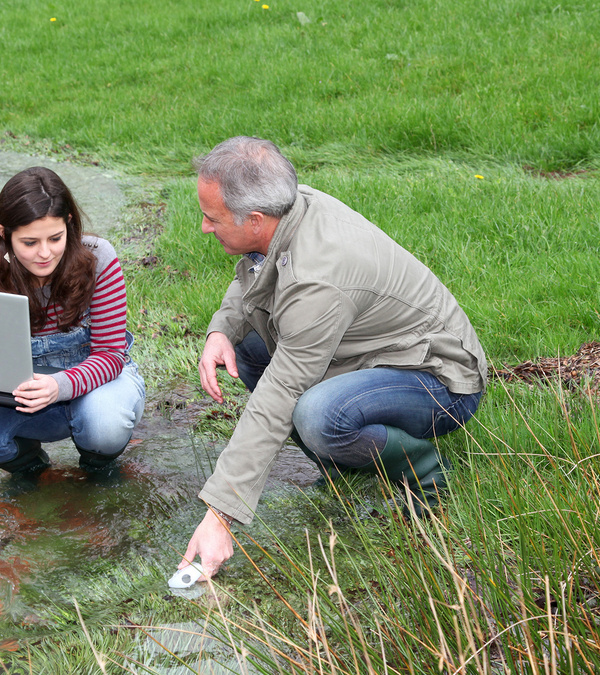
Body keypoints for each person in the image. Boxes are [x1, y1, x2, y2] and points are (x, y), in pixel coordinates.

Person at [180, 137, 486, 577]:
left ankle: (426, 471)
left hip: (438, 378)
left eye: (212, 218)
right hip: (369, 352)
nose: (205, 228)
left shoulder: (317, 278)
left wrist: (219, 516)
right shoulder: (289, 207)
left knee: (318, 415)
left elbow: (279, 395)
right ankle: (347, 464)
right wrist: (221, 329)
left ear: (254, 219)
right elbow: (255, 272)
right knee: (247, 346)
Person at [0, 166, 145, 475]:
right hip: (19, 399)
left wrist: (58, 385)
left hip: (99, 388)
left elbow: (110, 355)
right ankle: (31, 467)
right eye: (29, 243)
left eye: (55, 238)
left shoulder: (98, 259)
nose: (45, 253)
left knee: (105, 423)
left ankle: (96, 465)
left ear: (69, 224)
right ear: (3, 234)